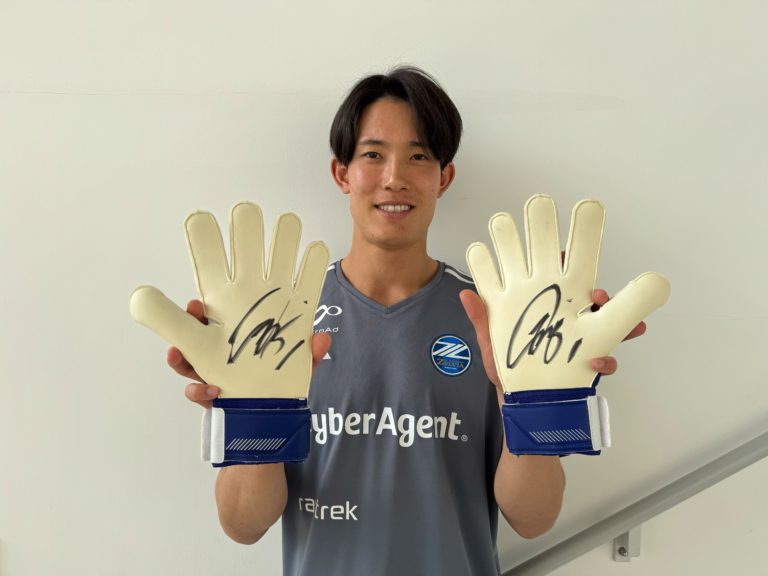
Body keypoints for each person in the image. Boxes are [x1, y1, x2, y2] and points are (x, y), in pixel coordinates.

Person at [166, 66, 644, 575]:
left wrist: (533, 402)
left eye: (418, 156)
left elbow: (533, 518)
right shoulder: (279, 321)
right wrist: (252, 409)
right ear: (342, 173)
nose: (394, 177)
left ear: (443, 177)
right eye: (373, 154)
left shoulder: (496, 320)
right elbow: (243, 524)